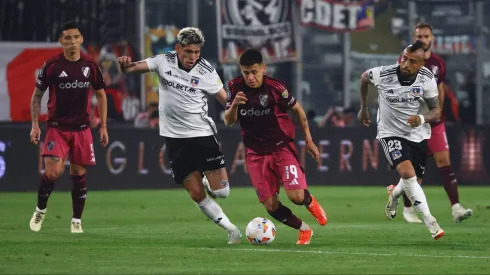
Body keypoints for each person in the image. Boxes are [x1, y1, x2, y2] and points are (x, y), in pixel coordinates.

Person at [117, 27, 241, 244]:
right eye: (188, 51)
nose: (193, 57)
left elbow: (225, 101)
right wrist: (125, 66)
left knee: (222, 192)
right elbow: (134, 69)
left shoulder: (207, 72)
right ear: (177, 48)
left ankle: (207, 177)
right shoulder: (163, 61)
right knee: (195, 193)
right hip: (174, 139)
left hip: (202, 135)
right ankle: (231, 230)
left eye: (196, 52)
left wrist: (236, 109)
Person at [224, 49, 327, 245]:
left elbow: (298, 110)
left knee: (296, 196)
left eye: (254, 71)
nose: (250, 77)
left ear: (263, 68)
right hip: (255, 153)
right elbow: (229, 121)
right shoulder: (234, 87)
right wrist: (234, 105)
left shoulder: (275, 88)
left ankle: (309, 201)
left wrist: (309, 141)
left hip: (281, 148)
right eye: (246, 73)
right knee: (271, 206)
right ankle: (305, 229)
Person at [358, 40, 445, 240]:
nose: (405, 64)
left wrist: (422, 119)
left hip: (417, 134)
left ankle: (394, 194)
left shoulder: (427, 79)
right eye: (404, 58)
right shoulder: (383, 74)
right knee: (407, 173)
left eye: (412, 61)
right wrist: (363, 108)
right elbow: (364, 79)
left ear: (421, 64)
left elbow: (436, 110)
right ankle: (431, 221)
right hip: (390, 132)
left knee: (413, 182)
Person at [29, 21, 109, 233]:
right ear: (61, 41)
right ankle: (41, 209)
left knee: (78, 173)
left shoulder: (91, 66)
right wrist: (35, 124)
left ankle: (76, 221)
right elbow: (37, 96)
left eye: (76, 37)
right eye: (67, 38)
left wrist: (103, 126)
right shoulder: (52, 65)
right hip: (57, 128)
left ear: (81, 39)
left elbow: (101, 94)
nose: (72, 42)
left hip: (82, 129)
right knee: (53, 172)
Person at [396, 22, 472, 223]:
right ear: (414, 38)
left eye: (426, 36)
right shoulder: (405, 60)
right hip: (412, 123)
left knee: (444, 162)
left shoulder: (438, 63)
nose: (422, 39)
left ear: (432, 39)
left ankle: (456, 208)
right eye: (419, 36)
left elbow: (440, 90)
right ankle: (408, 209)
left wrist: (437, 112)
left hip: (434, 122)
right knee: (413, 170)